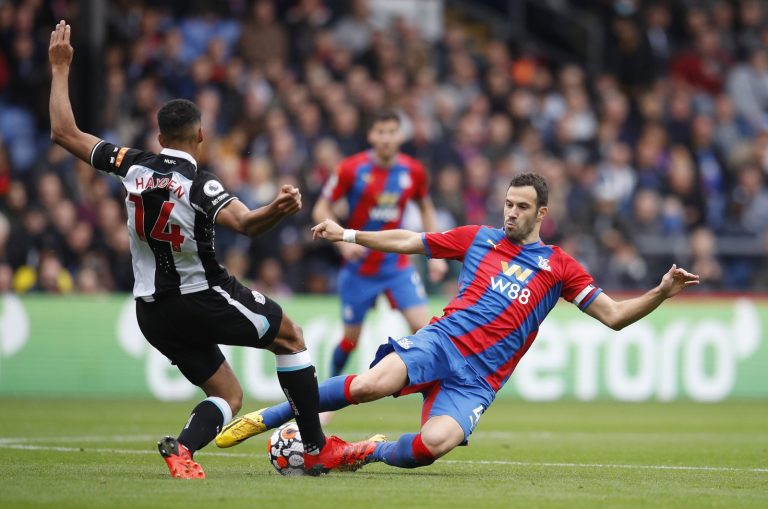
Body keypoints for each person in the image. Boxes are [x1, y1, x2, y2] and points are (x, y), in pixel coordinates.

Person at [47, 20, 375, 478]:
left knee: (227, 394)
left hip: (151, 310)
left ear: (159, 137)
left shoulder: (131, 165)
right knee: (291, 337)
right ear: (201, 136)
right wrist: (278, 208)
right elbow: (247, 224)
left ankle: (182, 450)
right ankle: (316, 447)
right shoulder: (200, 184)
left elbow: (64, 132)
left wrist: (60, 68)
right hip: (201, 295)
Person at [215, 172, 700, 470]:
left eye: (522, 207)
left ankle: (356, 452)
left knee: (432, 446)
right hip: (441, 341)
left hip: (480, 378)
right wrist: (349, 234)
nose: (511, 213)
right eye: (508, 204)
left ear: (542, 214)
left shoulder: (560, 267)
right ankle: (270, 416)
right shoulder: (479, 238)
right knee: (370, 385)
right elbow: (411, 241)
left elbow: (613, 316)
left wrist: (660, 292)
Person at [311, 110, 448, 379]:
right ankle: (327, 390)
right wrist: (343, 244)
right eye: (380, 132)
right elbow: (320, 208)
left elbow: (426, 208)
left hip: (396, 266)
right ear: (371, 135)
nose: (386, 138)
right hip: (359, 268)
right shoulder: (351, 169)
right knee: (350, 341)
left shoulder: (413, 171)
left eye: (391, 132)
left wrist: (437, 254)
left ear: (400, 136)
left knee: (424, 330)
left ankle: (433, 391)